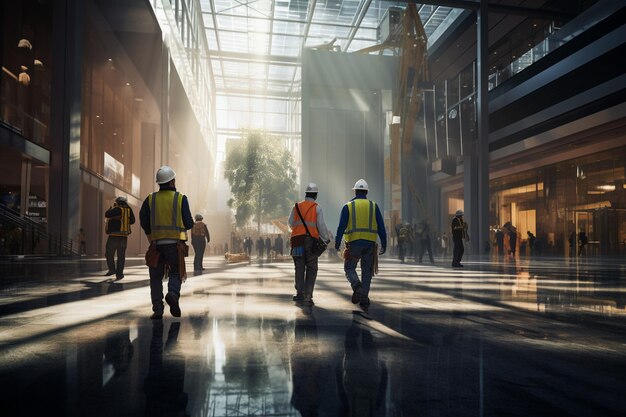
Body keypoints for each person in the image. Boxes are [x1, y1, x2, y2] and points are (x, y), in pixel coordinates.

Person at [140, 166, 194, 320]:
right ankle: (173, 294)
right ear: (172, 182)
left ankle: (158, 310)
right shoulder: (181, 198)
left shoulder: (151, 199)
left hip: (156, 245)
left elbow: (143, 220)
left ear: (160, 183)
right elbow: (189, 223)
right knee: (176, 272)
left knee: (155, 278)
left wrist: (151, 235)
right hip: (175, 245)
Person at [335, 179, 387, 309]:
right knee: (367, 271)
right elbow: (381, 227)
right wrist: (384, 244)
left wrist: (337, 243)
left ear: (355, 191)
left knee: (349, 268)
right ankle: (364, 298)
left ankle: (356, 286)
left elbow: (341, 227)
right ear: (366, 192)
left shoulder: (348, 206)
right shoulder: (373, 206)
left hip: (353, 244)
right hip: (370, 245)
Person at [289, 182, 330, 305]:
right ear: (315, 195)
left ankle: (299, 293)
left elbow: (290, 222)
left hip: (297, 241)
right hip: (311, 241)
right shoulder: (317, 208)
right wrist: (325, 238)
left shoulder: (296, 207)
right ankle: (308, 296)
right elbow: (321, 226)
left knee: (299, 267)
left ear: (306, 194)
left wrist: (298, 230)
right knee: (311, 267)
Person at [104, 196, 135, 280]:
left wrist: (111, 208)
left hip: (113, 236)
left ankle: (112, 269)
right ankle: (119, 274)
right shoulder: (129, 210)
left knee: (109, 254)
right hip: (123, 237)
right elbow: (132, 221)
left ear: (118, 202)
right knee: (121, 256)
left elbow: (106, 214)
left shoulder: (117, 209)